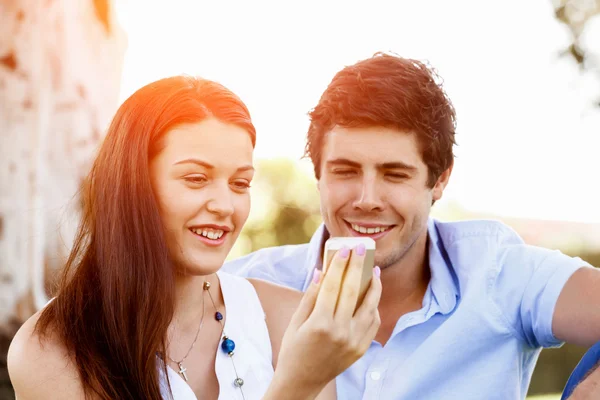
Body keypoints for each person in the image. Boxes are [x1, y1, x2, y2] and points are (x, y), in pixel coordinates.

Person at [222, 52, 600, 399]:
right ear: (318, 174)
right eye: (345, 171)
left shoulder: (497, 272)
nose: (367, 198)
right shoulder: (243, 291)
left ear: (439, 181)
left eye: (395, 174)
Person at [6, 76, 382, 400]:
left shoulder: (287, 320)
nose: (224, 205)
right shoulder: (50, 349)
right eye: (196, 179)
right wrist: (296, 385)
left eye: (240, 183)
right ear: (132, 185)